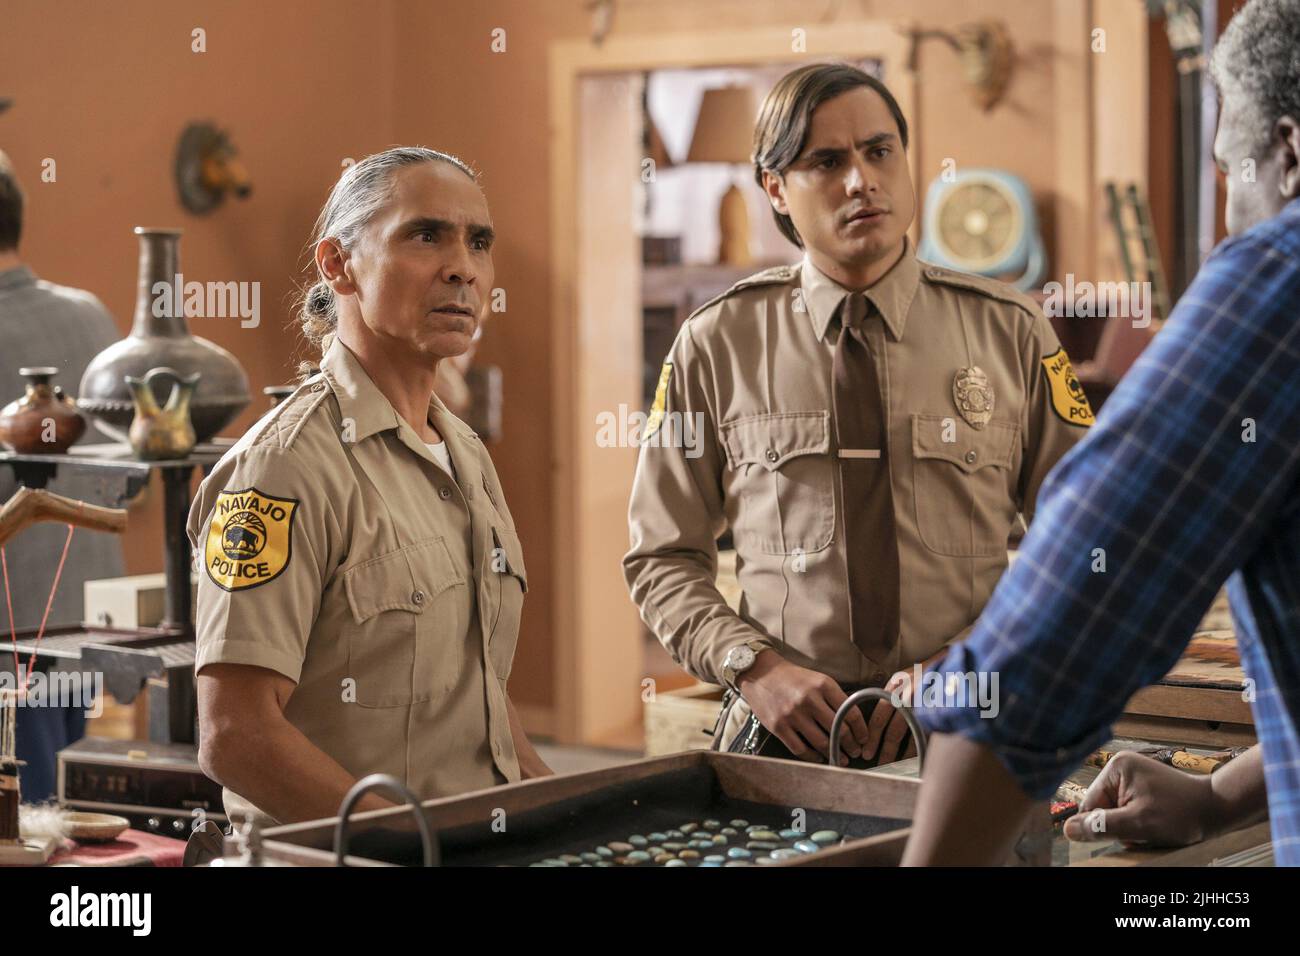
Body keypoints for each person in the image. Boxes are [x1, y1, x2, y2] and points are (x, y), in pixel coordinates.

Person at [902, 0, 1300, 865]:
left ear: (1290, 153)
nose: (1231, 213)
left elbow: (1058, 626)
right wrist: (1214, 797)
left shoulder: (1279, 274)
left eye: (1232, 173)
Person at [624, 64, 1090, 768]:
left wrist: (978, 660)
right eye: (827, 161)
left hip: (974, 728)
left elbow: (1086, 542)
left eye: (879, 152)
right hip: (786, 742)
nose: (860, 181)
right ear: (775, 188)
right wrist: (753, 668)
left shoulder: (1012, 331)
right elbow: (661, 558)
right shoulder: (718, 343)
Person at [188, 146, 551, 826]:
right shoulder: (282, 469)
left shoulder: (465, 453)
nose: (462, 269)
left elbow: (476, 696)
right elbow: (236, 736)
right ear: (338, 264)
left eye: (479, 242)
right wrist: (413, 847)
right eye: (425, 234)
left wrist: (563, 811)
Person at [0, 149, 125, 801]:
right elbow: (122, 475)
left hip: (10, 647)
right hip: (93, 626)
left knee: (23, 832)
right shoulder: (91, 316)